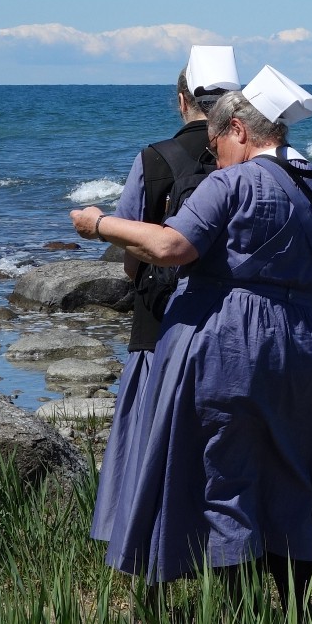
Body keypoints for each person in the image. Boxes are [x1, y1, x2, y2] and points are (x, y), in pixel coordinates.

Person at [70, 66, 312, 605]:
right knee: (296, 469)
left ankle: (236, 614)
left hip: (238, 342)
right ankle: (292, 616)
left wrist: (100, 224)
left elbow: (171, 248)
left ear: (239, 129)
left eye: (216, 141)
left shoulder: (231, 183)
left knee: (228, 470)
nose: (214, 154)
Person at [88, 46, 242, 547]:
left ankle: (143, 548)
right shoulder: (248, 159)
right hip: (230, 324)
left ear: (182, 101)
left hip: (161, 325)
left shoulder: (155, 158)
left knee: (148, 446)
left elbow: (133, 247)